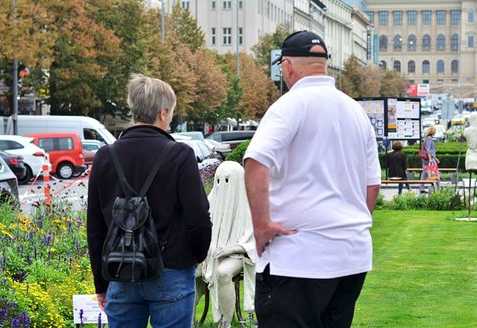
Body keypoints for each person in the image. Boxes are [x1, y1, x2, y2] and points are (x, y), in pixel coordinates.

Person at [243, 31, 381, 328]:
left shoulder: (289, 105)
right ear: (325, 66)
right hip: (350, 256)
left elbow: (255, 162)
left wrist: (261, 226)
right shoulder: (356, 112)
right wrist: (351, 223)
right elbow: (372, 185)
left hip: (299, 258)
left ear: (288, 66)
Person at [87, 74, 212, 328]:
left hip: (120, 270)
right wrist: (196, 257)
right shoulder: (180, 155)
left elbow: (95, 225)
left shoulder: (105, 156)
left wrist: (101, 284)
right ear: (163, 113)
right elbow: (198, 217)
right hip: (171, 269)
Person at [197, 161, 256, 328]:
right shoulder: (212, 200)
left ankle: (225, 323)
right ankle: (189, 319)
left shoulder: (250, 203)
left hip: (239, 253)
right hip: (213, 251)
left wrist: (232, 249)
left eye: (228, 180)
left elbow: (253, 239)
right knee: (192, 271)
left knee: (223, 272)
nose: (222, 185)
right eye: (219, 180)